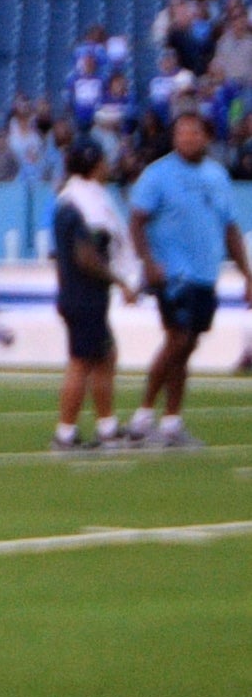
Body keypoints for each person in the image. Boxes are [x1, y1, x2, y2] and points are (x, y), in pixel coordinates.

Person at [124, 106, 244, 445]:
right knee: (178, 339)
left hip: (206, 275)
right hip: (173, 274)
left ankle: (172, 423)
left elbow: (231, 228)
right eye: (181, 132)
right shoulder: (157, 175)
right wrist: (147, 262)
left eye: (193, 132)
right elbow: (136, 221)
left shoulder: (217, 176)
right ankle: (144, 417)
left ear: (206, 137)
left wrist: (247, 274)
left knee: (188, 345)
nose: (187, 138)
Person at [50, 139, 132, 448]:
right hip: (84, 295)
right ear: (95, 165)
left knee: (105, 355)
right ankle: (65, 432)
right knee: (81, 362)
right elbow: (86, 256)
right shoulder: (80, 207)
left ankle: (107, 425)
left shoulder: (67, 202)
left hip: (79, 295)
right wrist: (119, 279)